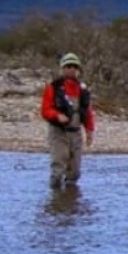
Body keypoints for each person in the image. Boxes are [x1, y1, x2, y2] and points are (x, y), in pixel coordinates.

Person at [40, 52, 95, 189]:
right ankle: (55, 199)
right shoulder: (53, 87)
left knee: (75, 172)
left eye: (74, 66)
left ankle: (70, 199)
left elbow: (87, 112)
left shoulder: (83, 89)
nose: (71, 69)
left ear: (78, 70)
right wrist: (57, 115)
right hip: (58, 132)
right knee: (58, 166)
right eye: (68, 66)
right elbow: (45, 110)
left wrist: (89, 131)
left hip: (76, 134)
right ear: (62, 68)